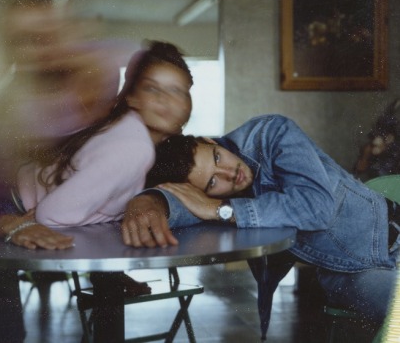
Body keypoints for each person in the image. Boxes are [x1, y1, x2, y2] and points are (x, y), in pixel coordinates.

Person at [0, 37, 193, 325]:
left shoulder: (122, 128)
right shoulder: (132, 144)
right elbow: (54, 212)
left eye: (178, 91)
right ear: (132, 95)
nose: (167, 101)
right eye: (153, 89)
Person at [122, 114, 399, 339]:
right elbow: (182, 202)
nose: (230, 173)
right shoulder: (212, 194)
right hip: (350, 271)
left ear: (210, 141)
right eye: (213, 183)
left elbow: (317, 208)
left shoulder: (271, 134)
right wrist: (149, 200)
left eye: (218, 157)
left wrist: (221, 209)